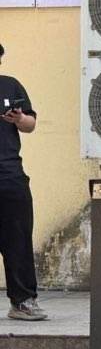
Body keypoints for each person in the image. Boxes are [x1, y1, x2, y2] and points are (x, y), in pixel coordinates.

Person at [0, 42, 45, 321]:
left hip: (9, 174)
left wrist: (18, 119)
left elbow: (30, 125)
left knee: (18, 239)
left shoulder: (11, 85)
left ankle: (23, 302)